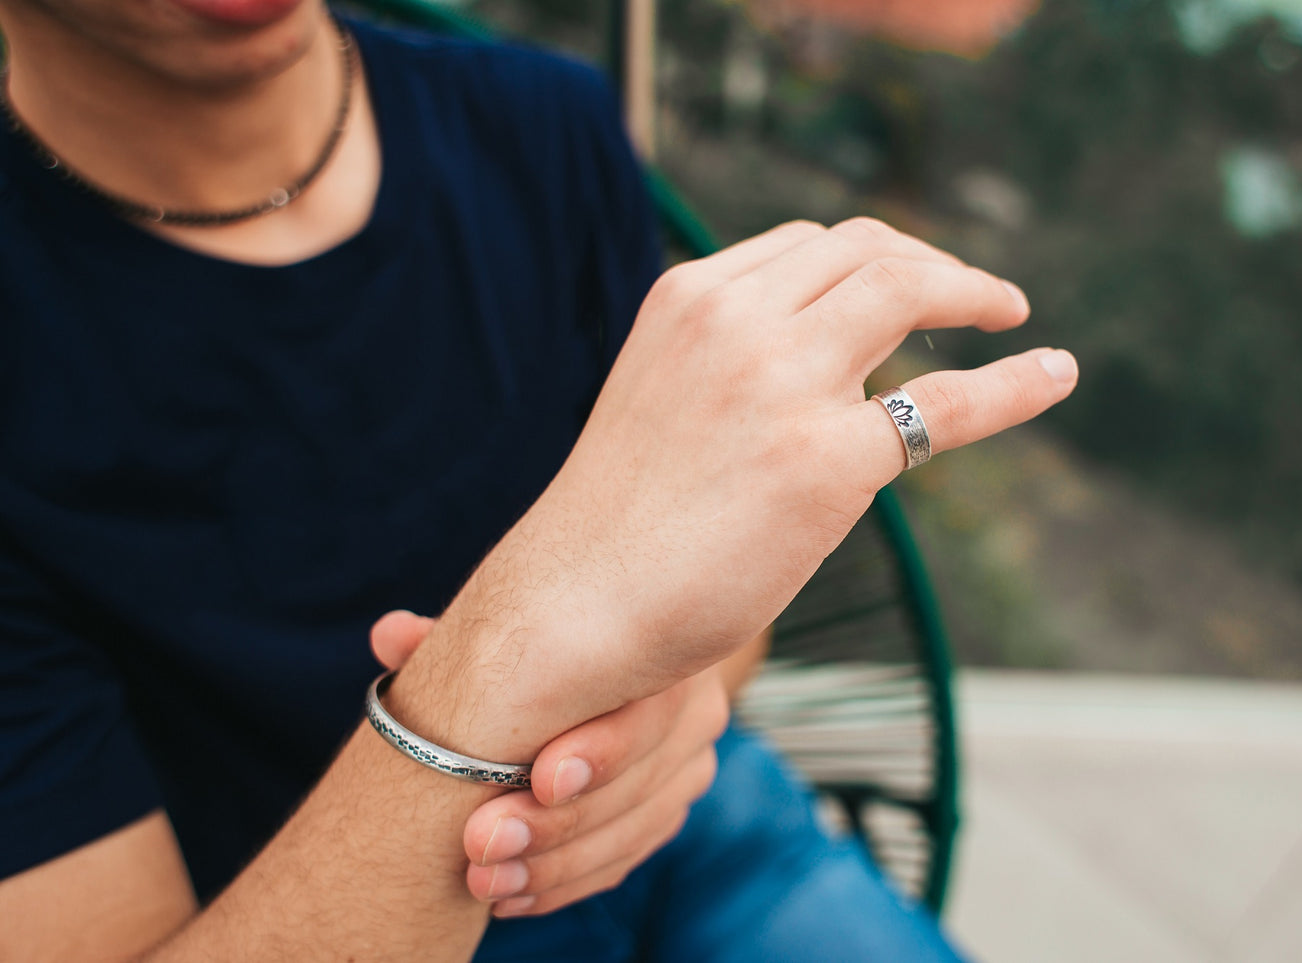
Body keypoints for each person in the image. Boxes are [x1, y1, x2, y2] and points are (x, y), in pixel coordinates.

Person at [0, 0, 1078, 959]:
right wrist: (499, 669)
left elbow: (716, 577)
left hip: (692, 827)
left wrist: (664, 718)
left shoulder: (539, 124)